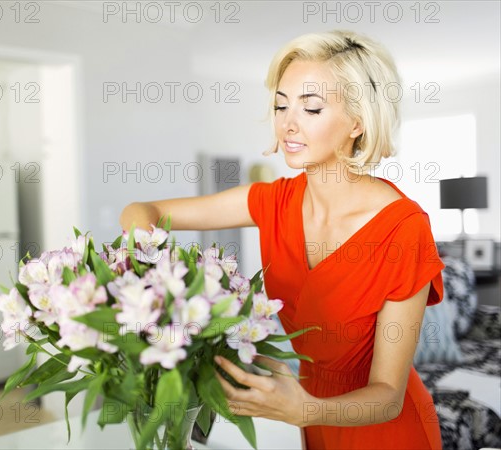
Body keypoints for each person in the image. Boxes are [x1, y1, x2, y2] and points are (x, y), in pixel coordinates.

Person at [120, 29, 444, 450]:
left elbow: (388, 396)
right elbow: (142, 211)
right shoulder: (274, 202)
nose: (287, 122)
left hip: (385, 433)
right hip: (308, 421)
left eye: (311, 108)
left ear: (358, 122)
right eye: (280, 105)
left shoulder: (403, 230)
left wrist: (305, 409)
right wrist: (152, 277)